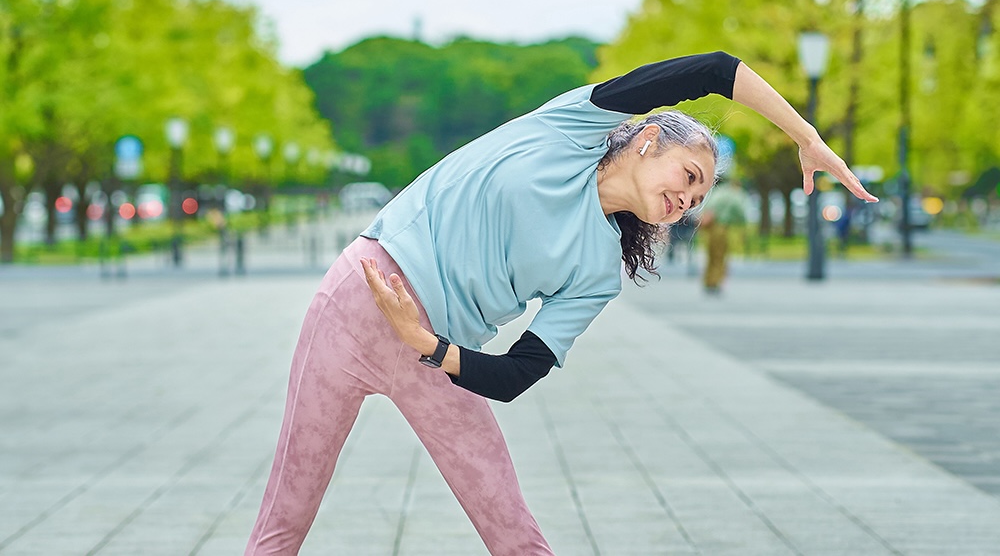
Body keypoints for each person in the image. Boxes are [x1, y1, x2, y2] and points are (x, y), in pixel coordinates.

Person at [244, 52, 878, 555]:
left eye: (700, 198)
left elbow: (518, 373)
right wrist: (807, 136)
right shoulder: (572, 127)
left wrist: (426, 345)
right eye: (689, 177)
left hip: (435, 351)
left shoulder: (599, 271)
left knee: (514, 531)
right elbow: (713, 69)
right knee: (284, 522)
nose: (690, 201)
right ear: (649, 140)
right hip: (359, 300)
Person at [700, 177, 748, 293]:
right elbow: (740, 211)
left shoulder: (716, 192)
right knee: (719, 257)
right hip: (721, 227)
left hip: (709, 229)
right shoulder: (732, 195)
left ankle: (707, 281)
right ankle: (715, 283)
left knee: (710, 256)